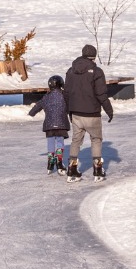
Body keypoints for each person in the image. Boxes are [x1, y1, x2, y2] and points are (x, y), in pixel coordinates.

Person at [64, 44, 114, 183]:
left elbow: (66, 93)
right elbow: (101, 94)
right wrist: (109, 110)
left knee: (76, 141)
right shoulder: (97, 72)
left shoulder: (70, 71)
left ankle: (72, 169)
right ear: (94, 56)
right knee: (96, 140)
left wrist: (69, 110)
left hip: (76, 114)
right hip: (92, 113)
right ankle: (98, 170)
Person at [28, 75, 70, 176]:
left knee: (51, 141)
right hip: (61, 124)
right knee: (60, 141)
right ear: (61, 84)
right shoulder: (64, 95)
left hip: (49, 125)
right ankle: (59, 162)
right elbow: (69, 105)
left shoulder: (46, 97)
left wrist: (31, 113)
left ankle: (50, 162)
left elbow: (38, 105)